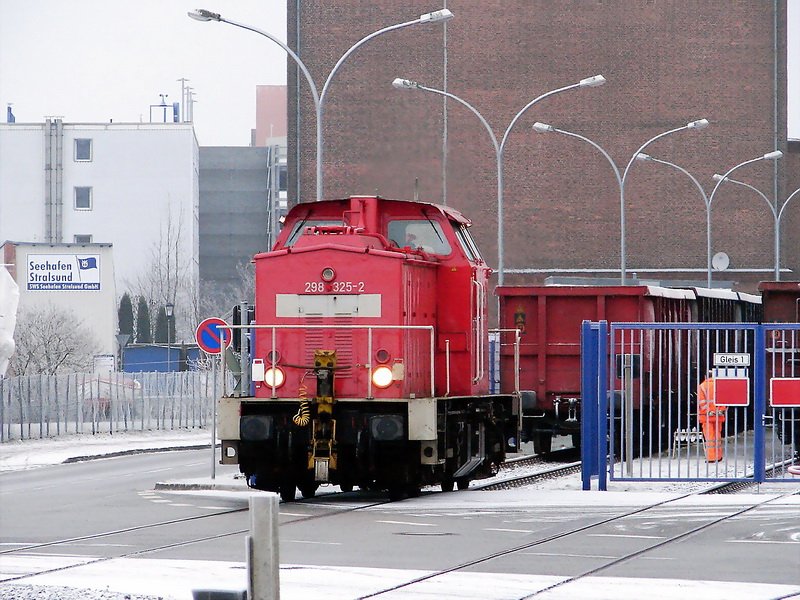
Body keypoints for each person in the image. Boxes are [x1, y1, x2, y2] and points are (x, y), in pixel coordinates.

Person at [697, 370, 727, 462]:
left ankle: (711, 457)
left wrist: (708, 411)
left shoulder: (702, 386)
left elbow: (701, 402)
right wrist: (721, 410)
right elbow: (724, 400)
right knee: (717, 437)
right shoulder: (719, 386)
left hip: (707, 417)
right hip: (718, 416)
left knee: (709, 437)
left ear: (706, 376)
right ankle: (718, 456)